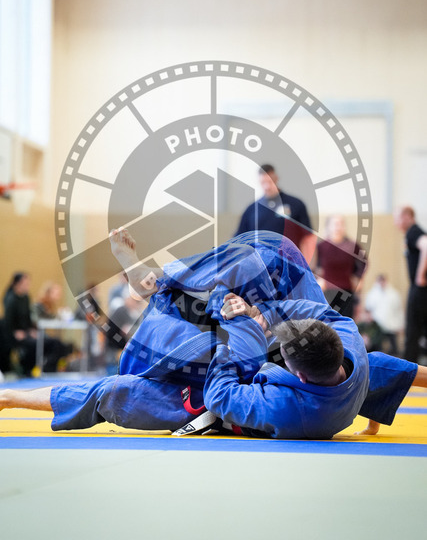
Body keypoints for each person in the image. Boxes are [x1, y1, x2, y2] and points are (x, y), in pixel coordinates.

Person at [0, 229, 423, 439]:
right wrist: (261, 313)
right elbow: (398, 369)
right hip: (269, 337)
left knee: (116, 393)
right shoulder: (348, 342)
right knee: (269, 254)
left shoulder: (290, 409)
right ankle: (161, 281)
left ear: (297, 376)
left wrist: (235, 326)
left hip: (212, 393)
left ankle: (9, 397)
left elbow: (221, 395)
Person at [235, 164, 316, 263]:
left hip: (290, 264)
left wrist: (307, 265)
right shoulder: (252, 210)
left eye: (270, 182)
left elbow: (308, 238)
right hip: (261, 265)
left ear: (276, 179)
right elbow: (239, 241)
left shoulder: (295, 204)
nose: (267, 186)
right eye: (263, 182)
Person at [3, 273, 72, 375]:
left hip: (27, 332)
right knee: (42, 343)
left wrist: (31, 330)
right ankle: (32, 368)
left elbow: (27, 319)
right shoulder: (10, 299)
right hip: (14, 334)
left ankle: (48, 368)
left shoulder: (26, 298)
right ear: (17, 284)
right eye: (25, 284)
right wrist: (15, 332)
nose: (27, 286)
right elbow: (8, 320)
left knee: (56, 343)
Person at [316, 215, 365, 319]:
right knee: (328, 323)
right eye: (335, 224)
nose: (338, 227)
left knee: (346, 322)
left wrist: (359, 277)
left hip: (346, 290)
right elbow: (314, 265)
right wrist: (318, 279)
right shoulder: (322, 246)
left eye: (341, 224)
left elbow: (364, 261)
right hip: (327, 291)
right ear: (329, 227)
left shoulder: (352, 245)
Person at [394, 206, 427, 362]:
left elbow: (426, 246)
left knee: (412, 332)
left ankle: (408, 371)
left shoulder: (413, 232)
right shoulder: (412, 233)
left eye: (397, 218)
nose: (395, 222)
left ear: (407, 216)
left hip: (419, 289)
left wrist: (420, 276)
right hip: (421, 290)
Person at [364, 274, 404, 356]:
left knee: (394, 347)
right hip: (377, 326)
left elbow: (398, 310)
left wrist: (400, 324)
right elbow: (368, 310)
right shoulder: (372, 294)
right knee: (377, 346)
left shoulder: (393, 294)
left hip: (391, 325)